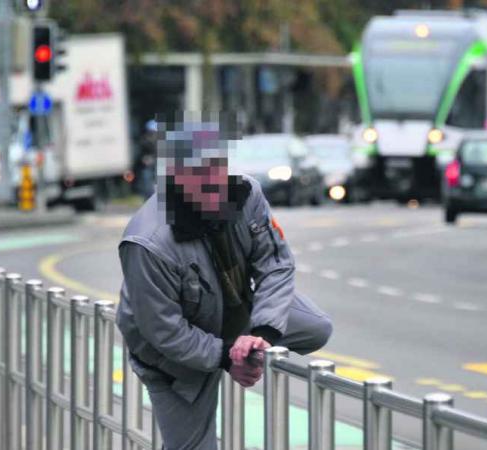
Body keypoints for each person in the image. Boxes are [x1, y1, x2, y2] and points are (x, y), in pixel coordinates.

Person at [116, 113, 332, 449]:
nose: (212, 181)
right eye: (198, 173)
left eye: (217, 167)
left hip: (232, 312)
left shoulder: (247, 195)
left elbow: (275, 264)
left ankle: (247, 341)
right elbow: (163, 331)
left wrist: (261, 334)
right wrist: (225, 357)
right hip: (170, 355)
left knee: (316, 327)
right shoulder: (147, 243)